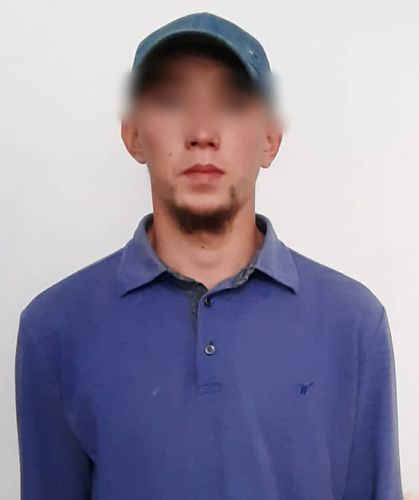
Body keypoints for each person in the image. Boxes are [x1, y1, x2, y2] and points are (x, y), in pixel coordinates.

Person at [15, 11, 403, 500]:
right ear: (133, 134)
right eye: (171, 101)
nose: (202, 132)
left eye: (232, 103)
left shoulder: (354, 325)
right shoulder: (54, 330)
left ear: (270, 139)